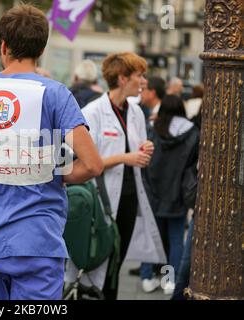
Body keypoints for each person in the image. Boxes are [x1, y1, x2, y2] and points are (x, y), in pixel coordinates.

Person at [0, 4, 103, 300]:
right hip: (38, 241)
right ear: (41, 49)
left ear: (2, 46)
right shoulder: (55, 93)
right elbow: (91, 165)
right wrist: (50, 174)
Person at [67, 52, 166, 300]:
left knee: (116, 265)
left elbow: (137, 150)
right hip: (100, 201)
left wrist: (144, 151)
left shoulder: (135, 112)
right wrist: (126, 157)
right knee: (98, 262)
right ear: (122, 78)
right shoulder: (92, 113)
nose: (143, 81)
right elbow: (84, 162)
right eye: (139, 76)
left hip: (129, 199)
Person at [141, 94, 200, 295]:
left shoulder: (153, 130)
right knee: (176, 240)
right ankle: (169, 281)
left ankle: (147, 277)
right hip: (178, 194)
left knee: (152, 237)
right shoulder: (193, 133)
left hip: (153, 192)